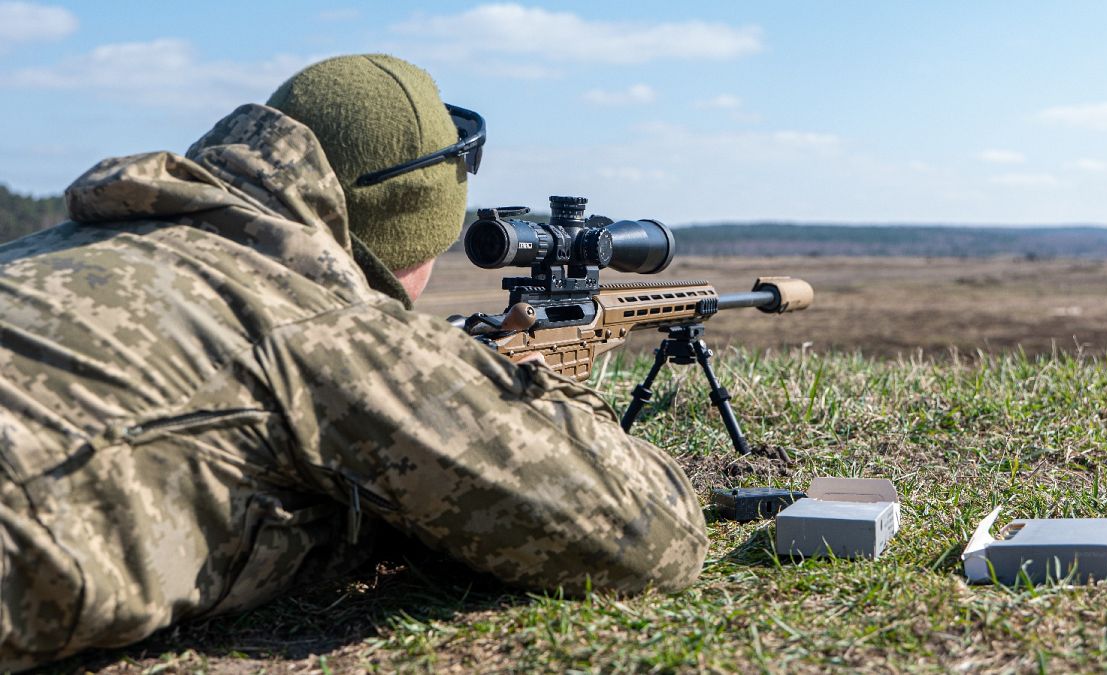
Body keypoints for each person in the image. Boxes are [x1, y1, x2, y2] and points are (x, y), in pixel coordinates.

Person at [0, 54, 707, 671]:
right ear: (415, 229)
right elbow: (654, 534)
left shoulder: (52, 248)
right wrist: (542, 391)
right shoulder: (326, 329)